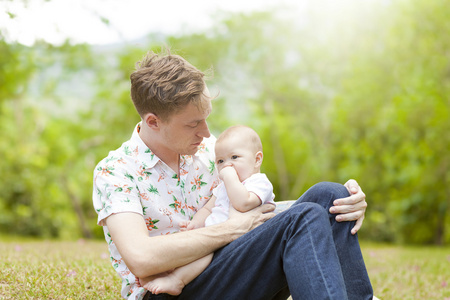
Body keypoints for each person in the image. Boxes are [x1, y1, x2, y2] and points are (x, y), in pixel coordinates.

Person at [93, 49, 373, 300]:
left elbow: (253, 207)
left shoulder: (210, 152)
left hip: (226, 267)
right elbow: (141, 257)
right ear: (153, 121)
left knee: (329, 196)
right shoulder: (116, 171)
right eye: (193, 124)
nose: (205, 132)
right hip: (169, 290)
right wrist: (232, 229)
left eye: (206, 119)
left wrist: (346, 202)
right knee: (304, 217)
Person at [142, 125, 276, 296]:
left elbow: (243, 203)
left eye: (235, 157)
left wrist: (229, 177)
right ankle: (167, 272)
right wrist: (195, 224)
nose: (227, 165)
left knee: (204, 255)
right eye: (220, 161)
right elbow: (208, 208)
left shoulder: (259, 183)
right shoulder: (223, 187)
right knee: (196, 250)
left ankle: (177, 281)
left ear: (257, 159)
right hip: (217, 237)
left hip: (242, 243)